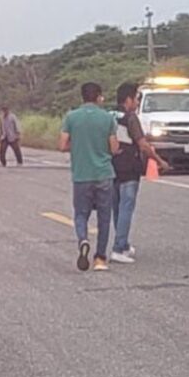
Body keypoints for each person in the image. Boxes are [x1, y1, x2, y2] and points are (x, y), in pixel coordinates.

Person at [60, 82, 119, 272]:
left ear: (82, 97)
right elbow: (114, 147)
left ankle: (83, 239)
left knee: (80, 214)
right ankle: (100, 258)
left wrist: (78, 146)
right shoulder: (107, 118)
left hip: (81, 174)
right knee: (104, 217)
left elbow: (62, 145)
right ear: (99, 97)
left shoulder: (71, 117)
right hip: (104, 173)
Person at [109, 82, 169, 264]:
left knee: (117, 208)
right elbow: (142, 144)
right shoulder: (131, 118)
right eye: (136, 98)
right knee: (127, 207)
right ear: (128, 99)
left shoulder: (109, 115)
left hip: (111, 167)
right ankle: (118, 248)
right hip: (129, 167)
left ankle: (124, 243)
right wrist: (159, 161)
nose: (137, 102)